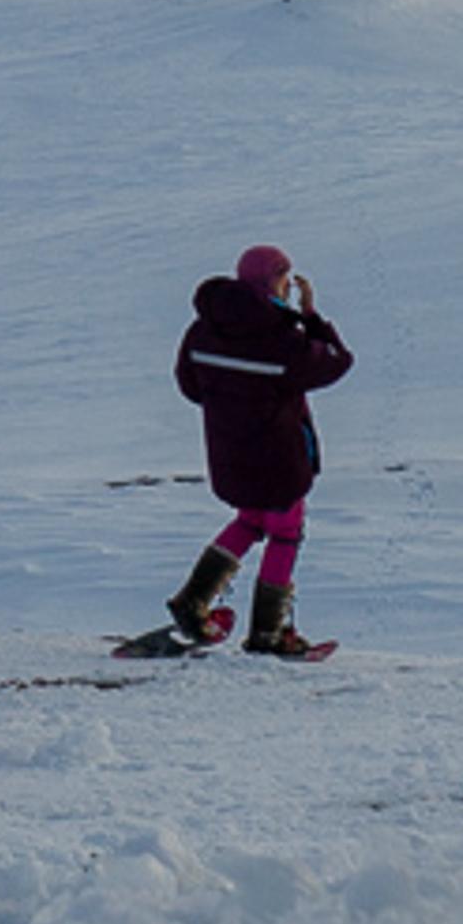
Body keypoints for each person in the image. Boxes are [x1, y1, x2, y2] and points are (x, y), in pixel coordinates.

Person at [165, 244, 355, 658]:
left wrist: (231, 404)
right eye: (285, 280)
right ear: (276, 282)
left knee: (250, 519)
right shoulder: (282, 338)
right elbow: (338, 362)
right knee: (285, 532)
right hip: (280, 457)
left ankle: (192, 603)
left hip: (229, 452)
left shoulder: (203, 329)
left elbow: (189, 384)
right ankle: (268, 634)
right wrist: (311, 319)